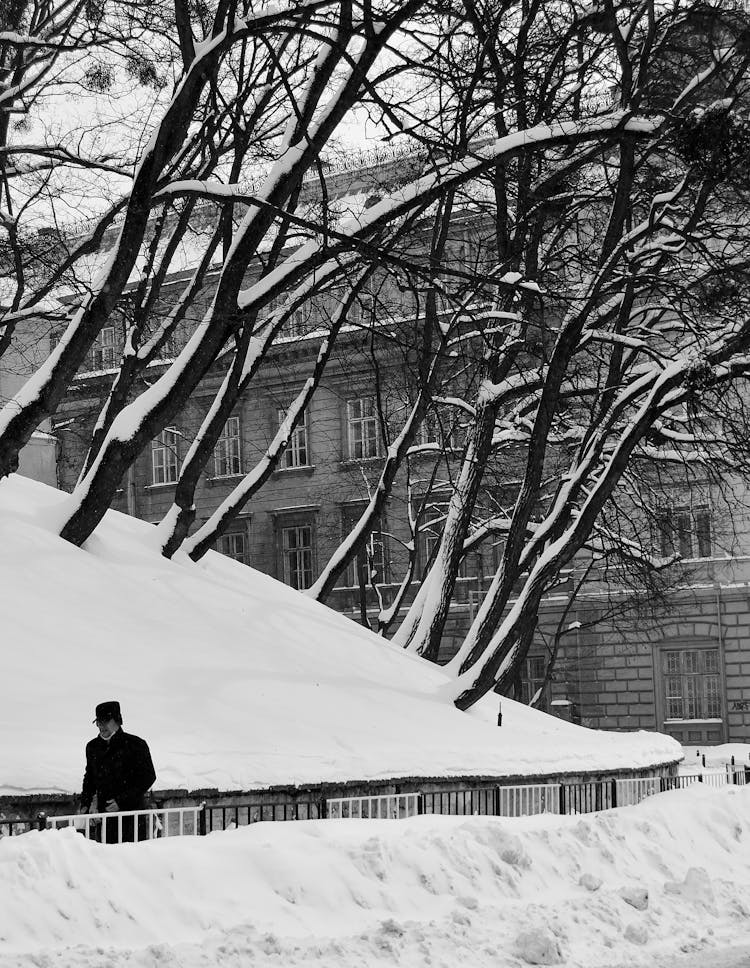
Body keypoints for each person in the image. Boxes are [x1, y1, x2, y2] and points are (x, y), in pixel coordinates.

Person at [80, 700, 156, 843]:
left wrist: (121, 802)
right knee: (106, 859)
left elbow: (148, 777)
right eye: (98, 722)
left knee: (131, 859)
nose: (101, 726)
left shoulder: (136, 745)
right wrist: (85, 803)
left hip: (131, 816)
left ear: (117, 721)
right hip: (105, 817)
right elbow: (89, 777)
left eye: (105, 721)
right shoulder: (92, 747)